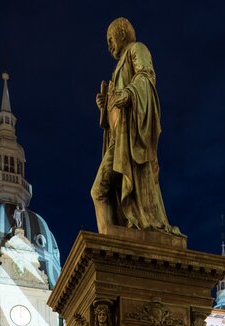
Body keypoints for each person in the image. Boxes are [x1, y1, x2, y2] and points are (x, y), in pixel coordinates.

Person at [91, 17, 180, 236]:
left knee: (99, 190)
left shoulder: (137, 49)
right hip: (117, 139)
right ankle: (111, 242)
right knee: (101, 191)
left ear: (121, 34)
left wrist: (128, 93)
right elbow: (113, 116)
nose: (109, 45)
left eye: (110, 39)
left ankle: (112, 242)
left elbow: (146, 77)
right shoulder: (115, 71)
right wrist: (105, 107)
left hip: (130, 138)